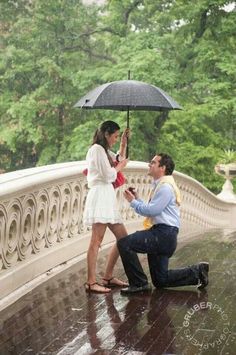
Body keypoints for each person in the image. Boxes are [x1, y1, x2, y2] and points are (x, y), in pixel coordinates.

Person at [117, 153, 209, 295]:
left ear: (162, 168)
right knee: (160, 280)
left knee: (125, 244)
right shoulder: (163, 185)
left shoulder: (165, 188)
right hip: (165, 235)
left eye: (153, 162)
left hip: (162, 235)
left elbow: (152, 210)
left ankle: (139, 283)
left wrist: (132, 202)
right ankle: (197, 272)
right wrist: (137, 199)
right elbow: (153, 209)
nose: (149, 164)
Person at [83, 120, 129, 293]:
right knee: (96, 240)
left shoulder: (103, 151)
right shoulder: (96, 150)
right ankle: (91, 281)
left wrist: (124, 145)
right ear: (107, 134)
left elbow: (117, 159)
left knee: (123, 238)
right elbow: (109, 174)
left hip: (107, 198)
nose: (116, 139)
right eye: (116, 136)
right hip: (101, 197)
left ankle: (108, 276)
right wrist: (120, 166)